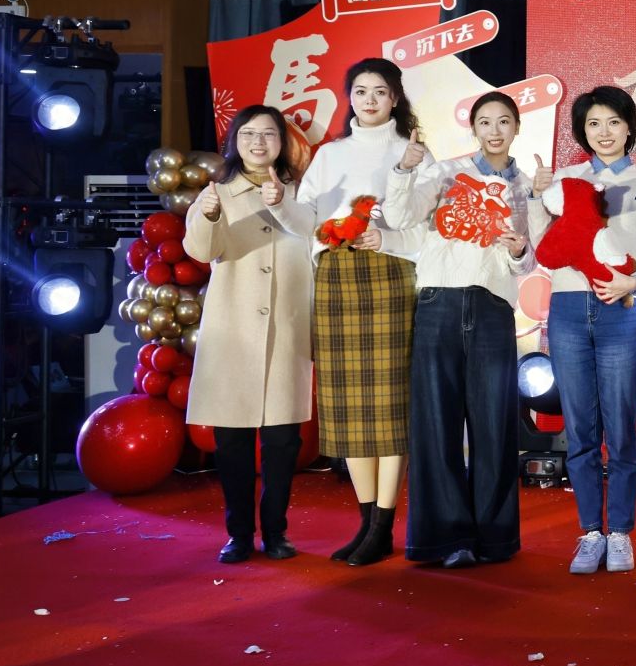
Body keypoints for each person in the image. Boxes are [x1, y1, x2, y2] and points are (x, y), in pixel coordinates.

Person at [387, 91, 535, 568]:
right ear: (473, 128)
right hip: (440, 302)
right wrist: (404, 170)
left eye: (504, 121)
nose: (494, 130)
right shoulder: (446, 172)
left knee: (495, 425)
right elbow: (401, 216)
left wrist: (518, 251)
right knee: (437, 423)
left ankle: (494, 538)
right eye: (485, 121)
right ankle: (447, 539)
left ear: (516, 128)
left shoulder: (526, 187)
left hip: (492, 307)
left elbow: (528, 262)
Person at [529, 85, 636, 576]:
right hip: (568, 311)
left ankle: (621, 532)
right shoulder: (565, 181)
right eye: (593, 124)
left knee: (621, 428)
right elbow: (542, 246)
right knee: (581, 430)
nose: (604, 132)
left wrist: (635, 281)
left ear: (629, 127)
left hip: (622, 311)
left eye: (613, 122)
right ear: (582, 132)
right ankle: (590, 531)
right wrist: (536, 196)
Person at [293, 58, 421, 567]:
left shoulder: (411, 150)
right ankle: (367, 522)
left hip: (391, 276)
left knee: (389, 404)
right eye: (361, 91)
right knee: (348, 402)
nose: (370, 100)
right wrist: (324, 240)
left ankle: (384, 522)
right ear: (350, 97)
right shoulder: (330, 154)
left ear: (395, 98)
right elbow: (305, 215)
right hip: (338, 278)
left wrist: (386, 238)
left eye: (380, 91)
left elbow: (427, 223)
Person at [185, 106, 316, 564]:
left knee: (283, 442)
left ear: (283, 143)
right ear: (234, 142)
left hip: (286, 329)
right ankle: (238, 533)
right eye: (249, 134)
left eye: (268, 134)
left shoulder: (300, 193)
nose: (258, 143)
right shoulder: (216, 193)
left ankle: (276, 531)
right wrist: (208, 216)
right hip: (233, 333)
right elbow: (201, 251)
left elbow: (315, 242)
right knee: (233, 443)